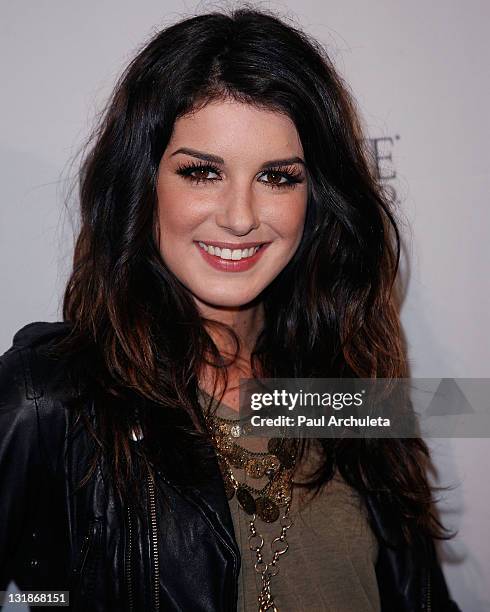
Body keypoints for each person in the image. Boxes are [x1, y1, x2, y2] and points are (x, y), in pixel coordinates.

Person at [0, 7, 461, 612]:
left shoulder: (350, 390)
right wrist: (58, 601)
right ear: (144, 183)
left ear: (316, 197)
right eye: (201, 172)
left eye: (277, 177)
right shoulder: (50, 399)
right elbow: (35, 589)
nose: (240, 216)